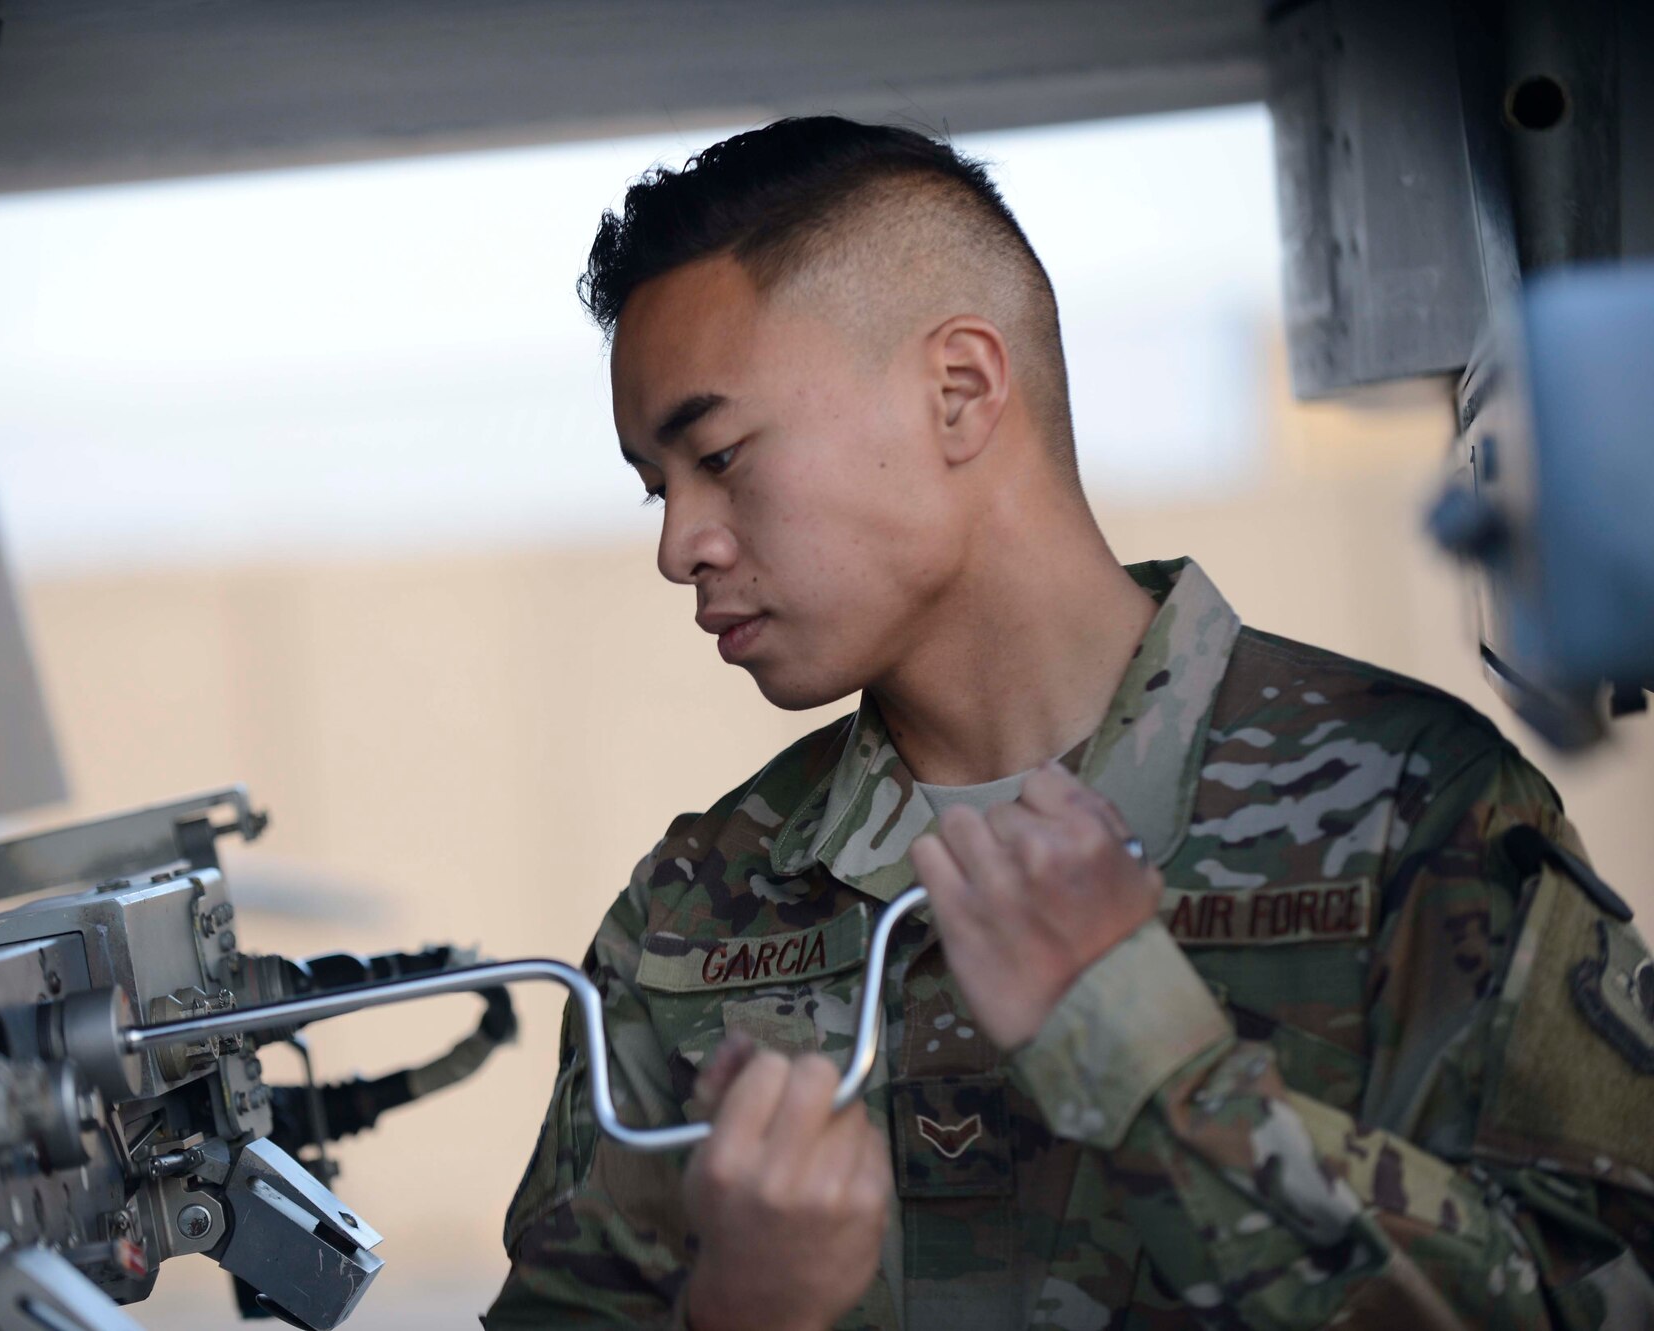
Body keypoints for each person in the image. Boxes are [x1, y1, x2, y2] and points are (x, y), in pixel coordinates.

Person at [481, 117, 1654, 1330]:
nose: (679, 544)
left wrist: (1142, 1048)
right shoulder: (692, 912)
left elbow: (1593, 1295)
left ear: (959, 391)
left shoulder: (1405, 807)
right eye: (655, 487)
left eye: (718, 455)